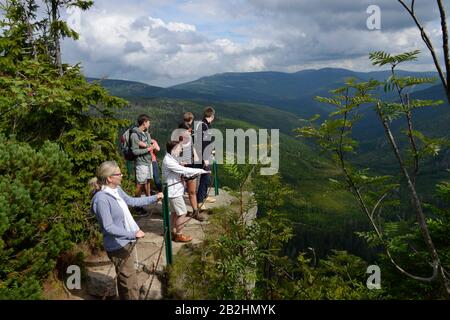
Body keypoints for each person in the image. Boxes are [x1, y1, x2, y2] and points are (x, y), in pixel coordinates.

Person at [89, 161, 163, 300]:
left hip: (126, 242)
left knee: (126, 280)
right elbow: (108, 227)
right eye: (118, 173)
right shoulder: (101, 199)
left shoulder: (116, 190)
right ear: (109, 178)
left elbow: (132, 201)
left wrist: (155, 197)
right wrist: (133, 233)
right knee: (130, 283)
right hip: (117, 246)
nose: (122, 175)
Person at [162, 141, 209, 242]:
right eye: (179, 148)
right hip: (173, 192)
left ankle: (170, 232)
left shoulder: (170, 159)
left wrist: (180, 164)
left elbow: (178, 168)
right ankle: (179, 234)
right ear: (173, 150)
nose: (181, 150)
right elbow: (184, 171)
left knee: (174, 213)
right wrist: (201, 171)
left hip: (172, 192)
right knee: (182, 213)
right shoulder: (169, 161)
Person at [177, 121, 205, 221]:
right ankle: (179, 212)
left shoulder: (190, 139)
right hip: (180, 169)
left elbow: (193, 150)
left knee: (192, 191)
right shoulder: (177, 141)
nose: (190, 133)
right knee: (179, 192)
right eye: (188, 132)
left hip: (190, 167)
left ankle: (195, 211)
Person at [130, 114, 155, 213]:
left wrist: (147, 145)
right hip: (141, 163)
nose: (149, 124)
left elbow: (149, 145)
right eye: (148, 122)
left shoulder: (146, 134)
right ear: (144, 122)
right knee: (139, 184)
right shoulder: (134, 135)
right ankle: (137, 206)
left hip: (148, 162)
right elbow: (135, 151)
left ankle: (142, 204)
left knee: (145, 182)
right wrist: (148, 148)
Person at [195, 106, 216, 207]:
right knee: (205, 177)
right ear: (212, 116)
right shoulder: (203, 126)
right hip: (203, 156)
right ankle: (199, 201)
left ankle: (204, 196)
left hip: (205, 154)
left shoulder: (204, 125)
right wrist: (205, 158)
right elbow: (202, 143)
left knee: (206, 176)